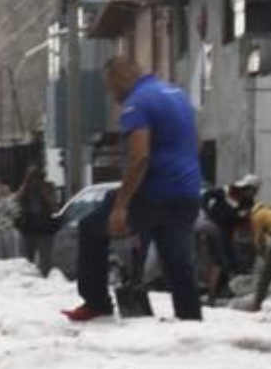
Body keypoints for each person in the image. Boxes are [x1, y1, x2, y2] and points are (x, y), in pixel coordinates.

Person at [65, 57, 203, 322]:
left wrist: (121, 206)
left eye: (111, 88)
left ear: (121, 78)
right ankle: (190, 320)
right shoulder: (177, 95)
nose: (113, 96)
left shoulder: (137, 103)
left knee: (91, 227)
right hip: (187, 192)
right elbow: (196, 142)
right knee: (178, 262)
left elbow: (139, 157)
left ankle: (96, 302)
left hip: (153, 193)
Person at [200, 174, 259, 300]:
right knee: (220, 260)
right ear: (247, 187)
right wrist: (206, 210)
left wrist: (243, 227)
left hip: (228, 232)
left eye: (256, 191)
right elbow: (206, 196)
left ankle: (223, 289)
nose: (255, 193)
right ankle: (212, 293)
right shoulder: (227, 190)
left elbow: (242, 220)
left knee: (232, 261)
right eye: (253, 190)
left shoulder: (248, 203)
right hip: (214, 227)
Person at [15, 168, 56, 274]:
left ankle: (45, 278)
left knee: (45, 261)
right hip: (29, 228)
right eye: (32, 178)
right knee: (27, 261)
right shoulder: (26, 187)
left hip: (45, 228)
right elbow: (17, 199)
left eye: (37, 178)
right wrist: (25, 183)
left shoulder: (48, 186)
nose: (35, 181)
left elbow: (53, 205)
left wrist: (43, 191)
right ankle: (29, 278)